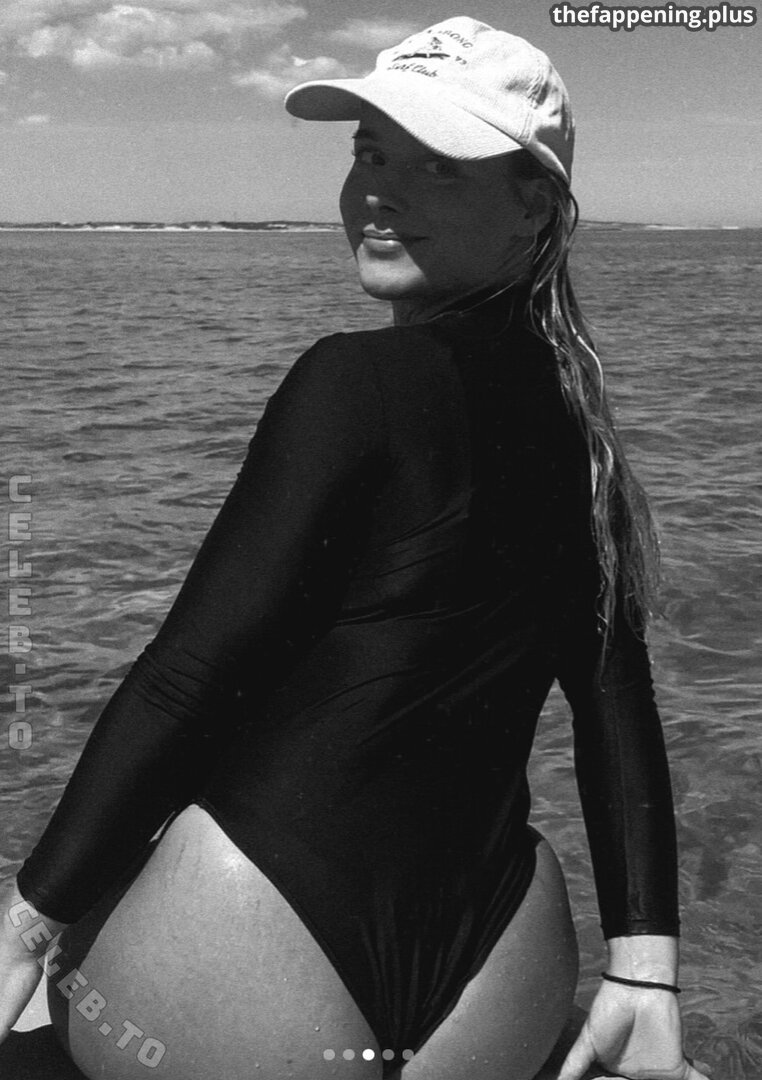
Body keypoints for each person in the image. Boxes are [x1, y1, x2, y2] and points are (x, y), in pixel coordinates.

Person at [0, 16, 712, 1080]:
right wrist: (644, 972)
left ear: (536, 206)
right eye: (370, 155)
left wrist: (29, 921)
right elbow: (614, 699)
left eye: (437, 165)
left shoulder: (353, 383)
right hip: (498, 973)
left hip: (257, 941)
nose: (382, 192)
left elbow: (190, 673)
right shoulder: (579, 420)